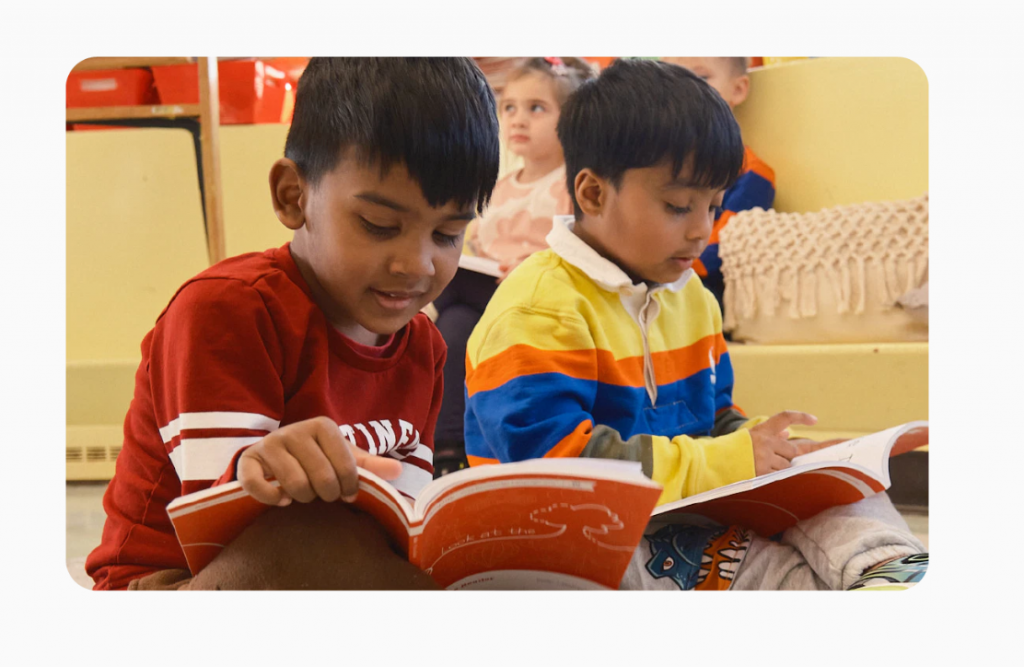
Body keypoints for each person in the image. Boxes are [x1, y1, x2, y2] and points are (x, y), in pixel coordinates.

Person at [463, 58, 926, 590]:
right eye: (679, 206)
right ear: (592, 194)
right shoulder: (538, 307)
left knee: (850, 490)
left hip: (682, 503)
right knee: (764, 570)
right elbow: (556, 470)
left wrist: (773, 450)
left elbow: (714, 420)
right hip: (576, 538)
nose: (702, 230)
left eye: (714, 206)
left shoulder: (693, 299)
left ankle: (896, 577)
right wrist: (728, 460)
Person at [85, 57, 501, 590]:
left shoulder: (423, 344)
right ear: (292, 195)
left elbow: (406, 521)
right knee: (308, 534)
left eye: (447, 234)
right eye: (379, 225)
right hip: (175, 582)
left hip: (323, 574)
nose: (417, 265)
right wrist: (258, 469)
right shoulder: (226, 310)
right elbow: (221, 532)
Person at [432, 57, 595, 477]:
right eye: (510, 108)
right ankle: (449, 449)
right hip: (486, 294)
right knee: (452, 324)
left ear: (570, 120)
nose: (519, 118)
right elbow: (477, 242)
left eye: (537, 108)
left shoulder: (570, 184)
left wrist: (531, 262)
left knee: (452, 306)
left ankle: (453, 447)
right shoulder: (498, 187)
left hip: (537, 295)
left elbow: (577, 247)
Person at [661, 57, 776, 313]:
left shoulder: (754, 176)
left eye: (701, 78)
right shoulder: (654, 166)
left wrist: (661, 269)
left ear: (738, 89)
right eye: (671, 79)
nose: (683, 90)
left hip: (703, 285)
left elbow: (722, 247)